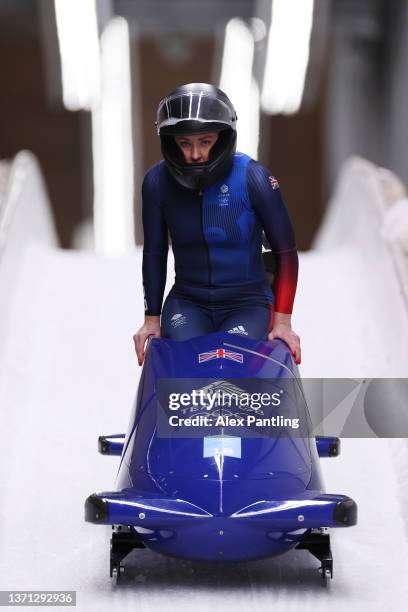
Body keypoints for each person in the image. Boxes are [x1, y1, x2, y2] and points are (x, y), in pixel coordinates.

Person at [134, 83, 301, 365]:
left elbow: (285, 252)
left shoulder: (254, 179)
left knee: (230, 368)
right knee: (184, 369)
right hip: (187, 303)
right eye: (185, 143)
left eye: (205, 141)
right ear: (170, 141)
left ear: (223, 139)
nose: (195, 154)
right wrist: (151, 320)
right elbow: (154, 252)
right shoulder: (156, 183)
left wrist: (283, 321)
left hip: (247, 305)